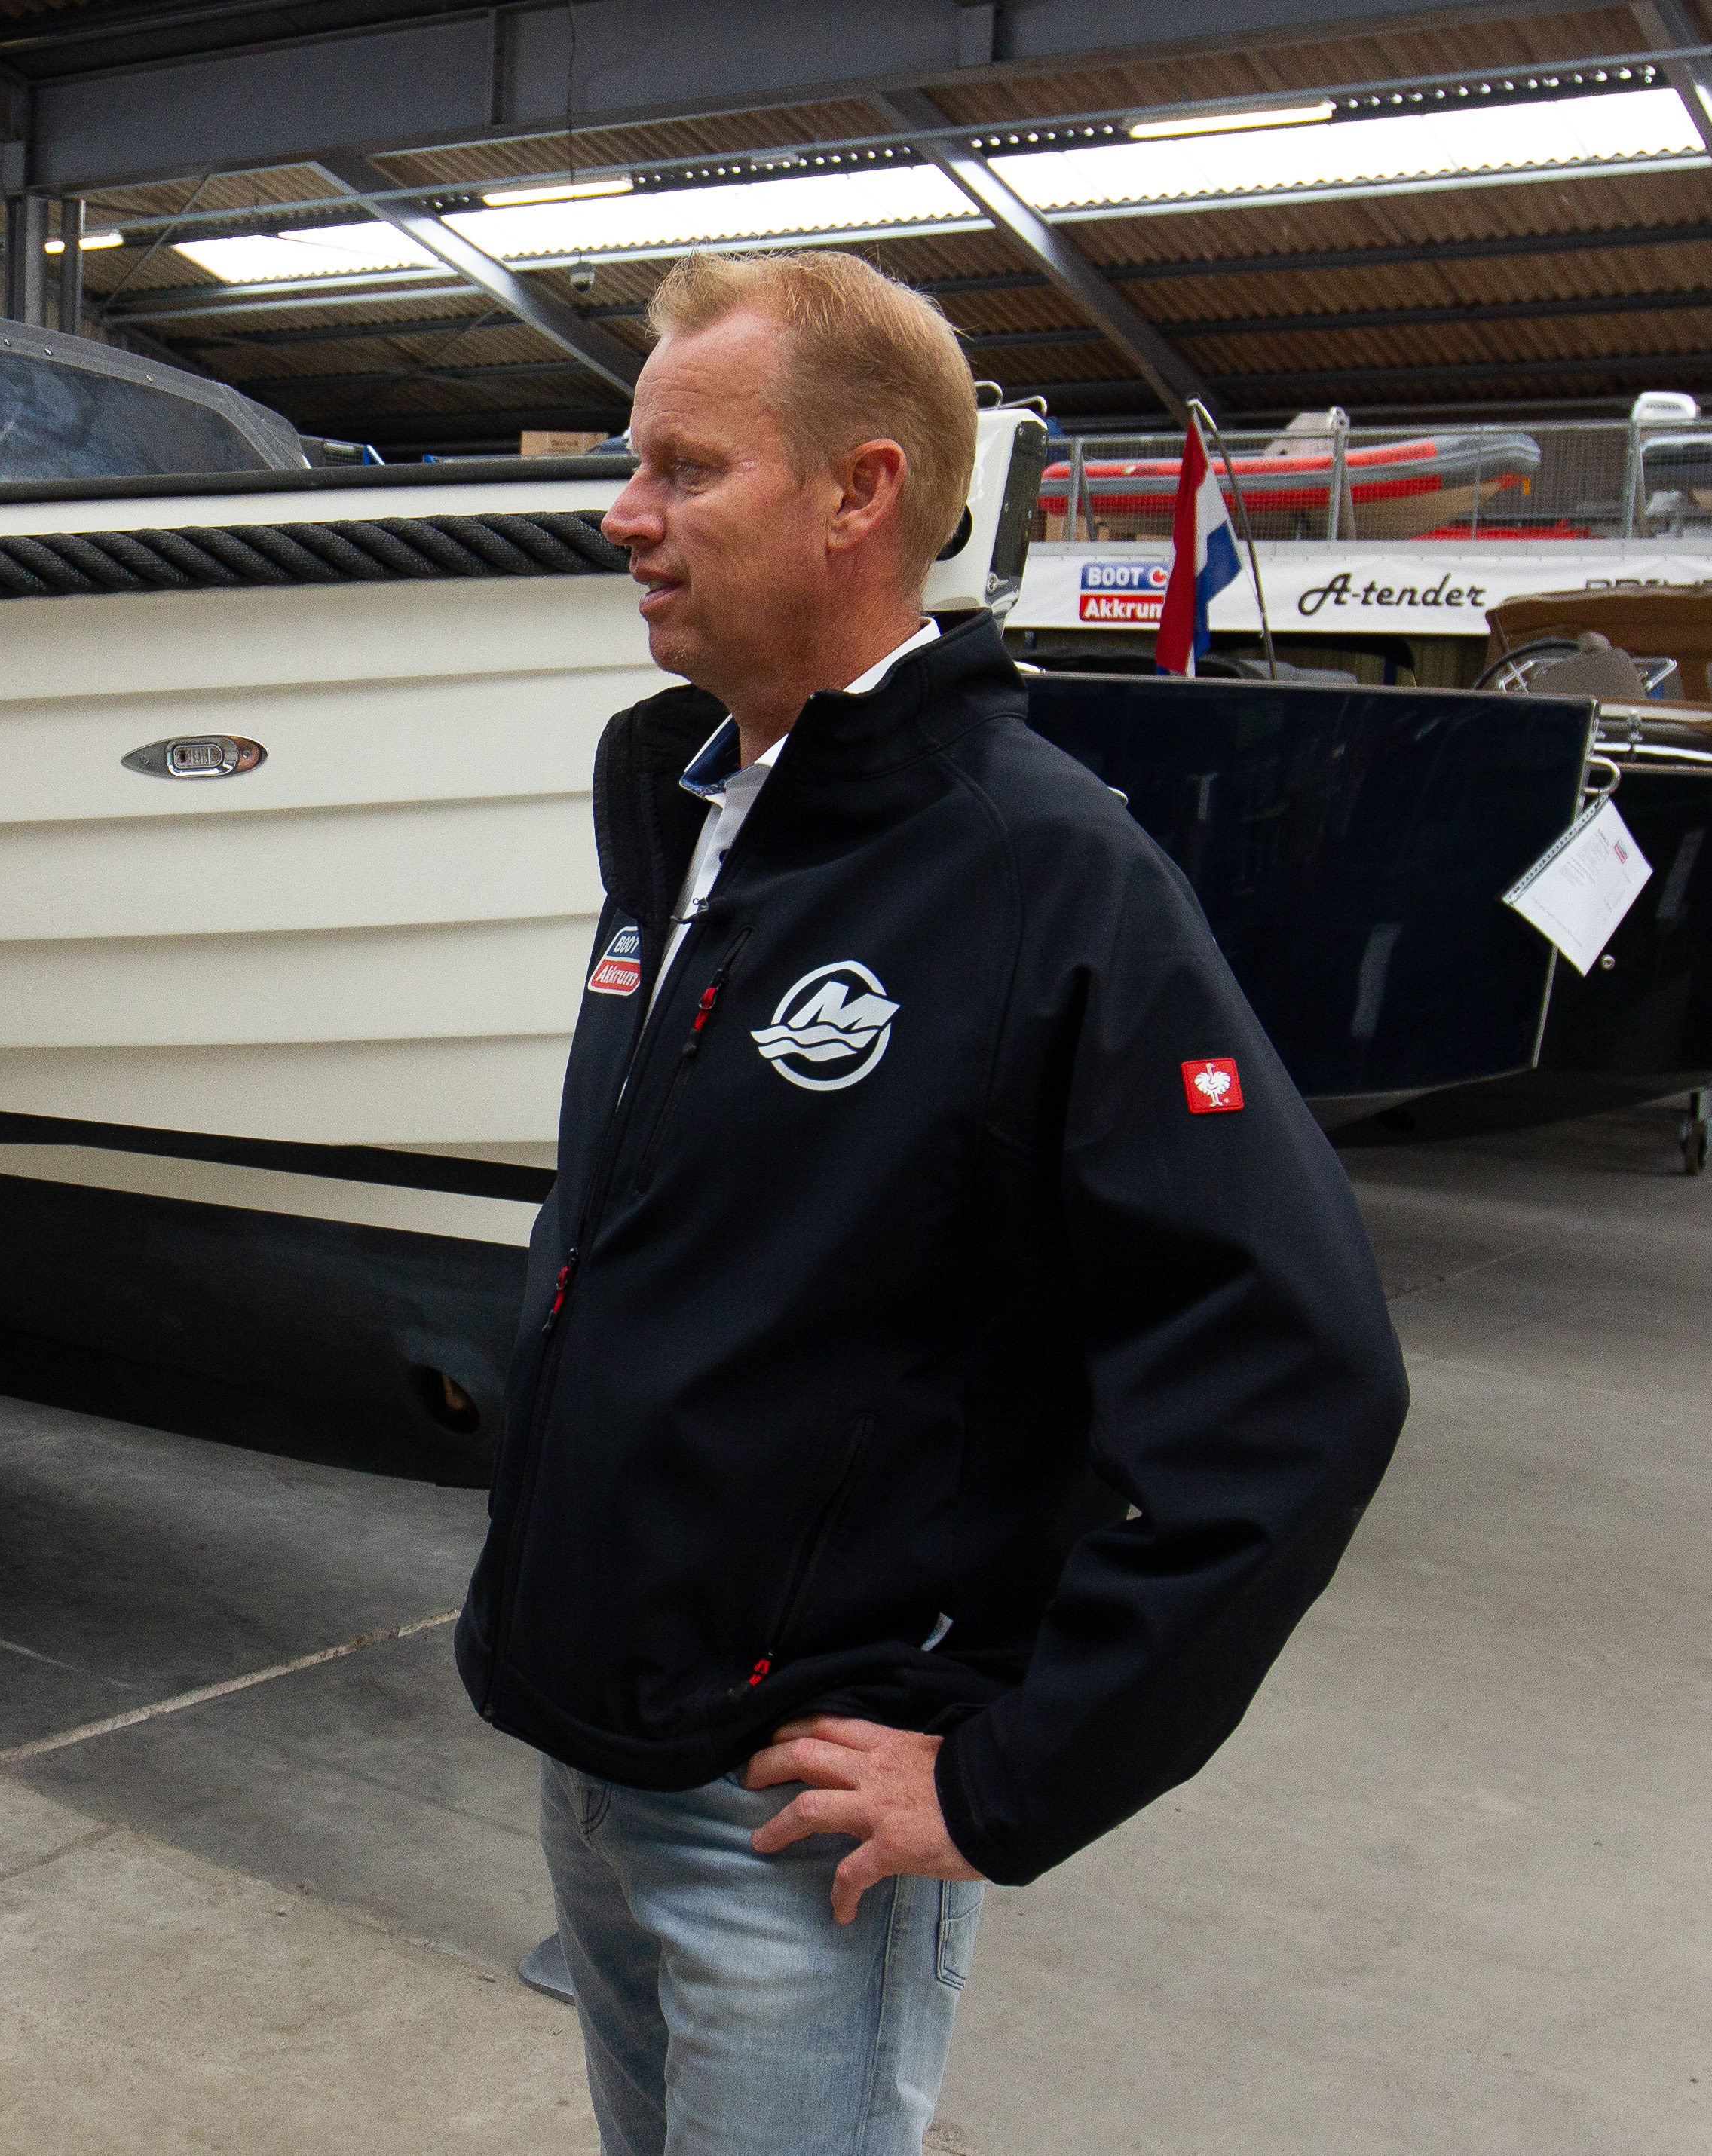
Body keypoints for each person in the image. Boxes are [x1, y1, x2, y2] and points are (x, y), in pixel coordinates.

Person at [458, 250, 1409, 2152]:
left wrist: (1008, 1775)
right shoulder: (682, 804)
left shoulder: (1042, 872)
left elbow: (1300, 1379)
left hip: (799, 1820)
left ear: (859, 492)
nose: (622, 514)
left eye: (681, 469)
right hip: (593, 1750)